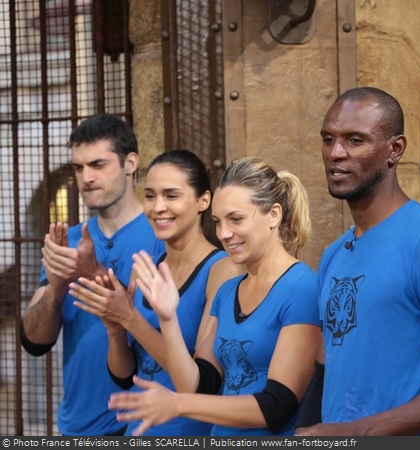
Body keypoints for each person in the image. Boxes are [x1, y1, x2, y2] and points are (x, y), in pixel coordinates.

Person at [294, 87, 420, 436]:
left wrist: (361, 430)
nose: (336, 153)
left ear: (395, 149)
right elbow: (325, 372)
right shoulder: (333, 255)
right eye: (328, 139)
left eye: (355, 140)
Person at [107, 156, 321, 437]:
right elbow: (199, 384)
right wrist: (168, 317)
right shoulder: (228, 291)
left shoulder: (302, 287)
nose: (224, 233)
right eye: (218, 222)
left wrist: (177, 404)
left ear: (274, 214)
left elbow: (276, 406)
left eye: (237, 219)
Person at [67, 149, 244, 436]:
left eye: (171, 196)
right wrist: (114, 330)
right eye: (150, 196)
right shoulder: (146, 268)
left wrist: (130, 319)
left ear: (203, 201)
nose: (158, 206)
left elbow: (199, 385)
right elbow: (125, 375)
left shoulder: (222, 270)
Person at [20, 114, 165, 436]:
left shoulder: (162, 235)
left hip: (143, 426)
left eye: (98, 165)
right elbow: (34, 342)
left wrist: (95, 273)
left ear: (130, 163)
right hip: (76, 425)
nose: (85, 177)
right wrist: (57, 287)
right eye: (78, 167)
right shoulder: (68, 240)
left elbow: (172, 329)